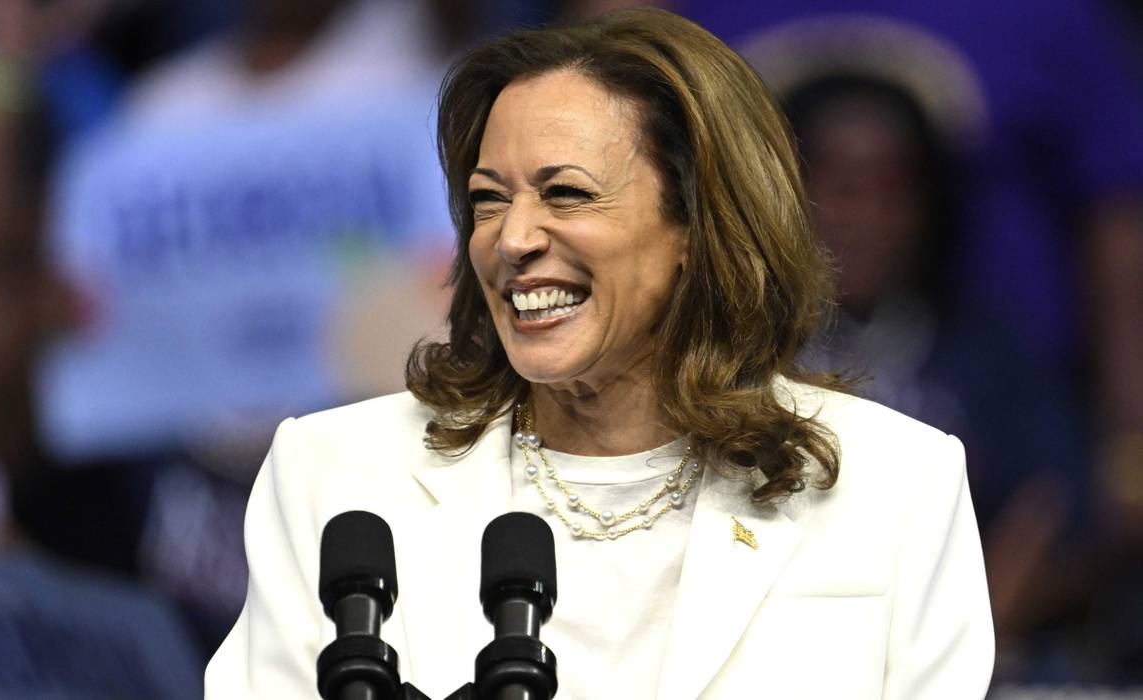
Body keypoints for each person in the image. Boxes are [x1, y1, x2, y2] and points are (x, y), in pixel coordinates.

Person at [205, 8, 993, 699]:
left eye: (565, 194)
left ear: (697, 222)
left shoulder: (895, 484)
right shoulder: (333, 473)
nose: (511, 240)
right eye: (487, 200)